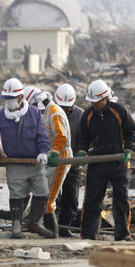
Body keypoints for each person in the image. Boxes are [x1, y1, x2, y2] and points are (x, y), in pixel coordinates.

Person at [0, 78, 53, 239]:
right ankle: (16, 225)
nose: (8, 102)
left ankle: (36, 223)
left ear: (21, 98)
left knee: (42, 192)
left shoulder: (35, 114)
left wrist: (43, 151)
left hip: (35, 162)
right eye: (6, 99)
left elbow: (42, 135)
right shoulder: (0, 116)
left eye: (11, 98)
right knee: (16, 194)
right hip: (14, 162)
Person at [75, 79, 135, 241]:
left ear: (105, 99)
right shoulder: (88, 115)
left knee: (121, 200)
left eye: (97, 102)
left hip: (119, 162)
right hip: (97, 162)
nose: (95, 105)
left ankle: (123, 235)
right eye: (92, 102)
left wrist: (129, 148)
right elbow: (84, 137)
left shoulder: (119, 111)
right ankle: (88, 234)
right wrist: (82, 151)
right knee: (92, 200)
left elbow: (131, 131)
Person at [31, 90, 71, 238]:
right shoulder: (46, 112)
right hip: (51, 155)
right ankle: (44, 228)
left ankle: (52, 233)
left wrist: (55, 152)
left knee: (51, 197)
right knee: (43, 192)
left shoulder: (54, 112)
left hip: (61, 156)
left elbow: (61, 136)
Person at [53, 83, 84, 237]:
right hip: (54, 161)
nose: (64, 110)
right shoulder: (50, 113)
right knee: (53, 196)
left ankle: (65, 227)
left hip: (72, 163)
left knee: (71, 197)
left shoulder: (80, 115)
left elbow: (85, 138)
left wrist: (80, 155)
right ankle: (52, 225)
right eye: (62, 107)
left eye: (67, 108)